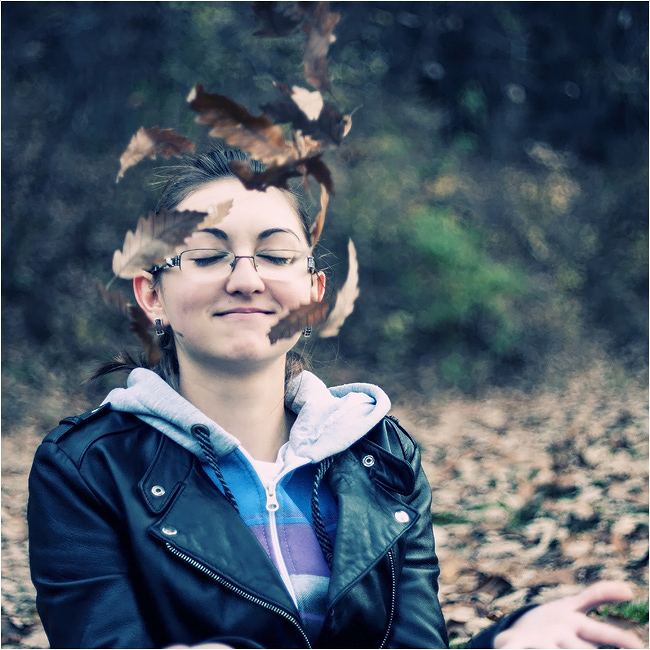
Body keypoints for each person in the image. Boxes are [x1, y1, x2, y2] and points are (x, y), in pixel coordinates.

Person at [28, 147, 643, 649]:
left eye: (276, 255)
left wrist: (500, 645)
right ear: (151, 295)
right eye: (209, 255)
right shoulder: (87, 470)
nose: (246, 279)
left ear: (313, 293)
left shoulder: (383, 457)